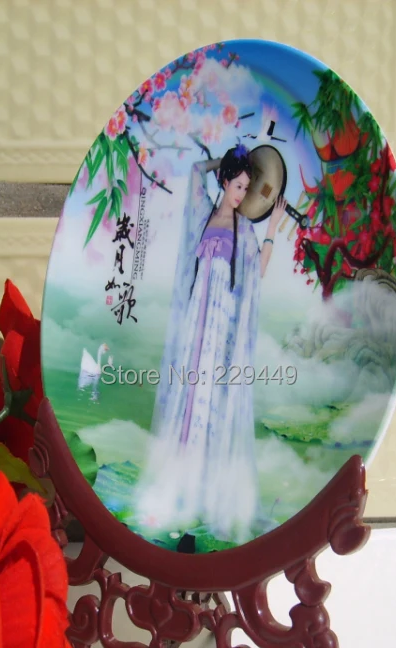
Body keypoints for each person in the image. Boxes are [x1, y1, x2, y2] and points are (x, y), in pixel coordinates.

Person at [134, 143, 287, 545]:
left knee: (208, 403)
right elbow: (195, 170)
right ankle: (177, 491)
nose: (241, 194)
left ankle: (202, 496)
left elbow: (257, 272)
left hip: (219, 332)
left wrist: (271, 230)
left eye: (246, 188)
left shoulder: (244, 230)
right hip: (194, 328)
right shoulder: (203, 215)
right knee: (187, 401)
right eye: (237, 186)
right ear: (224, 182)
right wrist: (230, 159)